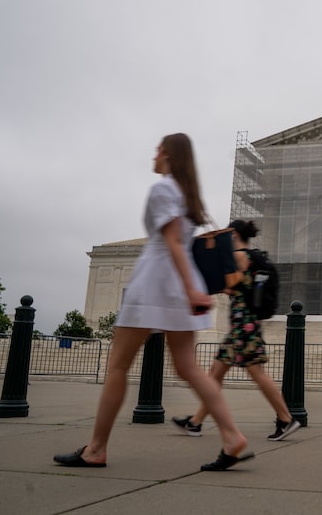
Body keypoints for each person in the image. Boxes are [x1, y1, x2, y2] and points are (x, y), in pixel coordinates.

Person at [54, 133, 252, 471]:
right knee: (187, 367)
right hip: (178, 282)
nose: (155, 153)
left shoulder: (163, 189)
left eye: (159, 148)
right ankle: (232, 436)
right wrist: (190, 287)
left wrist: (190, 289)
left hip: (156, 282)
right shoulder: (190, 197)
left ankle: (96, 448)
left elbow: (173, 242)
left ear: (171, 156)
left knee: (117, 365)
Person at [171, 220, 301, 442]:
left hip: (245, 324)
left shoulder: (241, 257)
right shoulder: (251, 257)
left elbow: (230, 283)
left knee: (256, 373)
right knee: (215, 374)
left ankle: (286, 418)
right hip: (242, 324)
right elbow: (239, 288)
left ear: (233, 235)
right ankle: (195, 423)